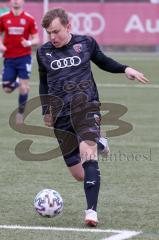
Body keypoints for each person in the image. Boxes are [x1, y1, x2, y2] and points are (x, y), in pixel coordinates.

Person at [37, 8, 149, 227]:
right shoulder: (43, 52)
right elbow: (43, 82)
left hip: (86, 107)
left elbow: (104, 61)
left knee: (88, 156)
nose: (52, 37)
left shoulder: (86, 43)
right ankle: (100, 142)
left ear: (68, 26)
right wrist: (46, 110)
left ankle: (91, 212)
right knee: (78, 174)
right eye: (49, 33)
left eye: (56, 31)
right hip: (61, 116)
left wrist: (126, 69)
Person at [0, 0, 39, 124]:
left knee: (23, 87)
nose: (16, 1)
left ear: (23, 2)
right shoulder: (3, 18)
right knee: (6, 88)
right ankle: (17, 82)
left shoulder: (29, 19)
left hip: (24, 57)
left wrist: (29, 43)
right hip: (9, 58)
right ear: (11, 2)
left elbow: (36, 38)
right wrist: (0, 45)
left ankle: (20, 113)